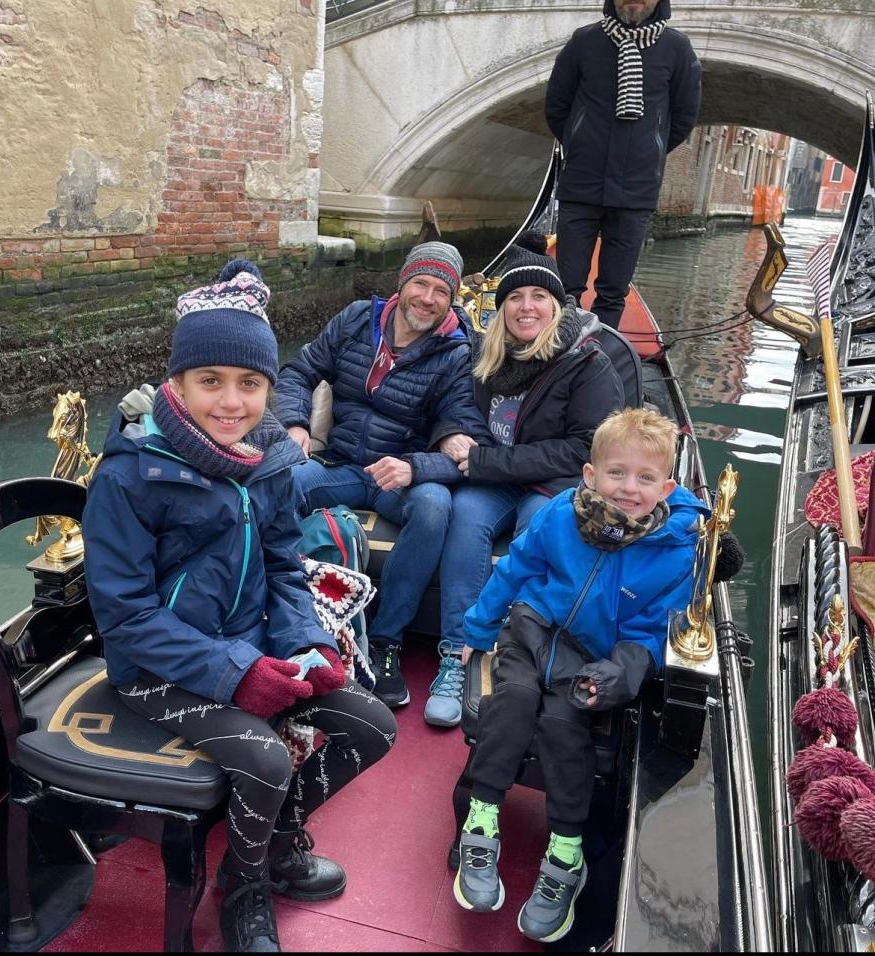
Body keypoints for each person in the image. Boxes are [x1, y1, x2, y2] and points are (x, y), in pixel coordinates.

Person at [82, 259, 397, 953]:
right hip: (152, 667)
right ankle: (246, 887)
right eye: (211, 382)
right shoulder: (130, 474)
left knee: (372, 725)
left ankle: (270, 847)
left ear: (267, 387)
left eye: (250, 384)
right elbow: (127, 618)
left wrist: (304, 643)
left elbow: (284, 569)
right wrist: (237, 674)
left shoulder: (272, 463)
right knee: (265, 759)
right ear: (179, 384)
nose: (232, 402)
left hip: (250, 646)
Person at [452, 407, 707, 943]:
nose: (628, 489)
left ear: (667, 486)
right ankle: (481, 820)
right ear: (590, 476)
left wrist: (624, 671)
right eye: (616, 473)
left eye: (644, 478)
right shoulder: (560, 513)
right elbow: (516, 569)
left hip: (594, 659)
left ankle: (565, 852)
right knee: (513, 702)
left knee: (564, 726)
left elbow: (656, 632)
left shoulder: (678, 550)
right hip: (530, 632)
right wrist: (476, 633)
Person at [275, 241, 492, 710]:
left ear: (451, 298)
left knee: (435, 507)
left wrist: (414, 467)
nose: (428, 298)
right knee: (280, 485)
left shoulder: (457, 351)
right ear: (403, 283)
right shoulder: (356, 319)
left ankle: (387, 640)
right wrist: (295, 422)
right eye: (421, 284)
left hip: (400, 474)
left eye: (441, 290)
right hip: (341, 464)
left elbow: (466, 436)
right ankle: (282, 610)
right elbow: (298, 371)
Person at [425, 235, 625, 728]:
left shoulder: (587, 363)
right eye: (515, 297)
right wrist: (450, 432)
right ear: (502, 309)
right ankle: (457, 651)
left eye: (539, 296)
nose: (526, 306)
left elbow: (586, 448)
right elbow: (448, 406)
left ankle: (519, 657)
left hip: (556, 482)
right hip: (497, 477)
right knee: (466, 518)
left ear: (556, 306)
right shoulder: (486, 356)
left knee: (539, 528)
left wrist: (491, 462)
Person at [545, 0, 701, 329]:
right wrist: (581, 143)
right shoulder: (584, 41)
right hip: (582, 185)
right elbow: (557, 106)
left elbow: (683, 118)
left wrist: (650, 150)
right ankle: (561, 355)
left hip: (636, 191)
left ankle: (597, 360)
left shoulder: (677, 49)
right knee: (567, 287)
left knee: (613, 291)